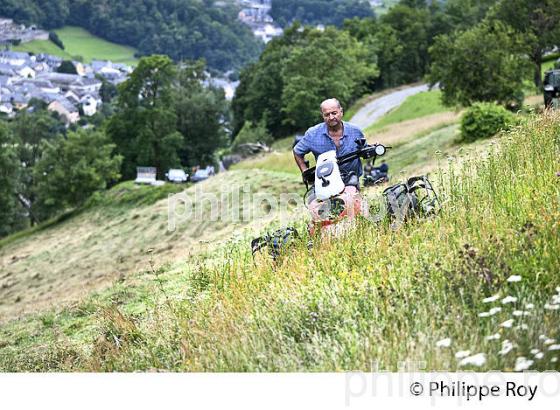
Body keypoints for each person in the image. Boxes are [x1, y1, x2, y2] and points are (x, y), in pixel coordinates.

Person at [293, 98, 365, 185]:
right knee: (314, 199)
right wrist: (305, 171)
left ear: (341, 112)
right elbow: (297, 151)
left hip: (351, 180)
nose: (331, 117)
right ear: (322, 115)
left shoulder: (356, 131)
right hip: (325, 181)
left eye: (334, 113)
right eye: (327, 115)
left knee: (352, 197)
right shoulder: (312, 134)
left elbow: (364, 150)